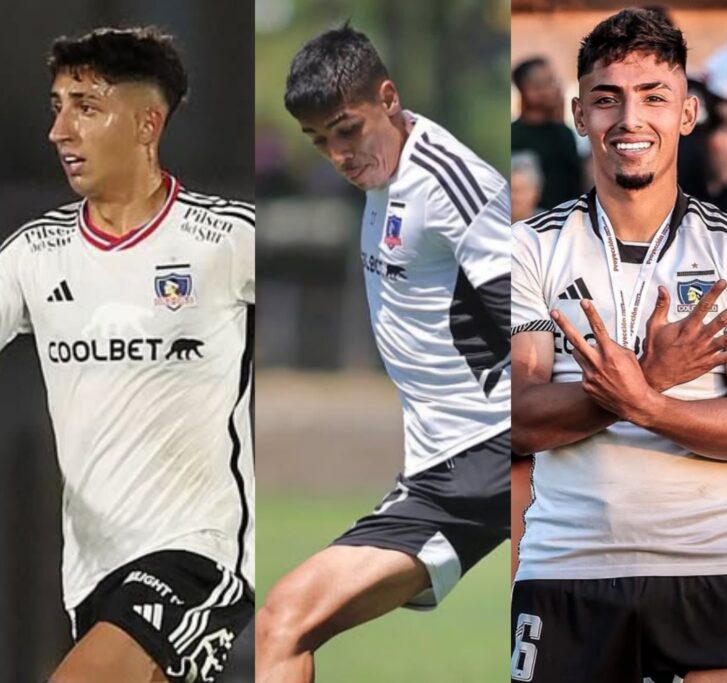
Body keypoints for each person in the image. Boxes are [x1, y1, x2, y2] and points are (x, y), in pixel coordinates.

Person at [511, 9, 727, 682]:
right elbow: (517, 420)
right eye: (607, 98)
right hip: (568, 566)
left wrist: (646, 404)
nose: (630, 119)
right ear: (578, 113)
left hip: (713, 563)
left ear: (687, 113)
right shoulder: (529, 249)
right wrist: (652, 375)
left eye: (654, 96)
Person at [254, 23, 511, 682]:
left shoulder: (446, 181)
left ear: (388, 99)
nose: (338, 155)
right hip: (448, 465)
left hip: (481, 458)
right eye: (319, 142)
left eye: (346, 130)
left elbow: (531, 320)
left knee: (283, 622)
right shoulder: (384, 172)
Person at [0, 27, 254, 682]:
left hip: (199, 558)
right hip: (91, 577)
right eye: (57, 105)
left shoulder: (223, 240)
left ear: (147, 123)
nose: (60, 130)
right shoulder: (34, 255)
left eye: (85, 106)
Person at [512, 56, 583, 209]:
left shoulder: (565, 133)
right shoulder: (513, 136)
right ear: (529, 91)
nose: (558, 88)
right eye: (550, 82)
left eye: (556, 81)